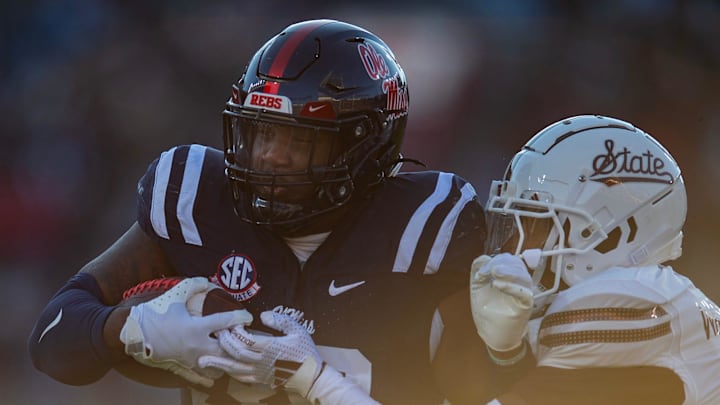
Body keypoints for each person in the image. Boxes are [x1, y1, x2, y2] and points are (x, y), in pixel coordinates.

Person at [28, 19, 487, 404]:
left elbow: (483, 392)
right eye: (262, 134)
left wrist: (506, 350)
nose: (269, 158)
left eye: (299, 141)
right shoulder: (199, 200)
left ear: (365, 146)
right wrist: (128, 328)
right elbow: (52, 341)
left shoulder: (426, 229)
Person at [453, 114, 720, 404]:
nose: (510, 247)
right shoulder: (672, 300)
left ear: (611, 236)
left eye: (535, 227)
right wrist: (507, 355)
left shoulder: (628, 300)